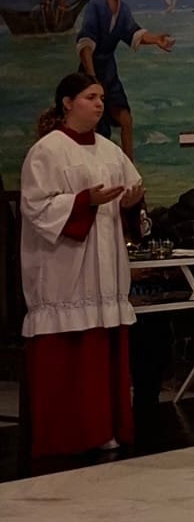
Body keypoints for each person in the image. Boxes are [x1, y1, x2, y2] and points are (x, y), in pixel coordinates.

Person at [19, 72, 143, 462]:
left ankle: (105, 428)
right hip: (66, 266)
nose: (100, 104)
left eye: (102, 97)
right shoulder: (47, 151)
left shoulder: (110, 151)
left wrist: (130, 204)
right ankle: (68, 435)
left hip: (105, 265)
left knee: (103, 347)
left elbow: (131, 197)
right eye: (90, 97)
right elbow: (36, 206)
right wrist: (83, 201)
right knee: (71, 353)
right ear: (67, 103)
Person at [76, 0, 174, 159]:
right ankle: (95, 164)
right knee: (94, 125)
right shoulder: (96, 6)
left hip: (109, 72)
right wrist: (92, 78)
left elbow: (134, 33)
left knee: (126, 120)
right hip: (91, 72)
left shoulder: (123, 10)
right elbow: (85, 44)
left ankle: (129, 168)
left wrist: (155, 40)